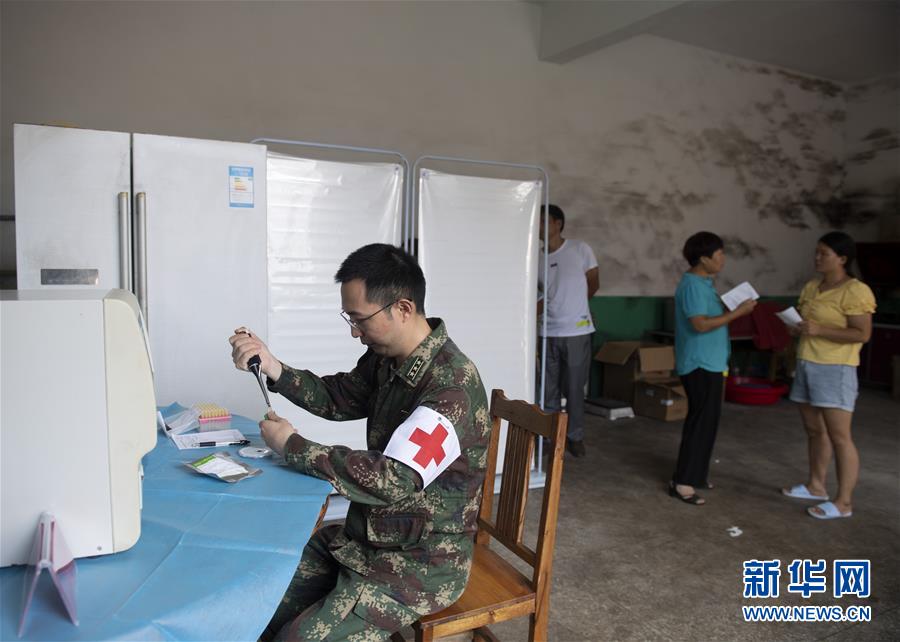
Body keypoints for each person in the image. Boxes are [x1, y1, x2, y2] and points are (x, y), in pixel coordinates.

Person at [229, 243, 490, 641]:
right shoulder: (388, 358)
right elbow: (340, 398)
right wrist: (273, 367)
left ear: (403, 308)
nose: (354, 331)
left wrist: (292, 445)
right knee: (256, 609)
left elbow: (392, 479)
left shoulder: (450, 387)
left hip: (419, 562)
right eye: (348, 318)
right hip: (365, 537)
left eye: (360, 319)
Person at [781, 231, 875, 520]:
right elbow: (804, 321)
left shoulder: (855, 291)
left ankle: (844, 501)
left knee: (840, 436)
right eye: (817, 252)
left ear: (842, 259)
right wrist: (795, 328)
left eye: (824, 253)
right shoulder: (813, 286)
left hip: (835, 369)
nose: (817, 258)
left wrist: (820, 330)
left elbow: (862, 333)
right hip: (807, 362)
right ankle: (816, 485)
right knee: (814, 430)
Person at [670, 232, 756, 505]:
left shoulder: (705, 283)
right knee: (699, 422)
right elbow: (700, 324)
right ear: (703, 258)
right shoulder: (693, 285)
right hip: (698, 362)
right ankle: (681, 481)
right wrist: (738, 313)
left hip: (713, 361)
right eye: (719, 255)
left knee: (709, 422)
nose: (723, 259)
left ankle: (696, 474)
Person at [537, 203, 599, 457]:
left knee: (574, 388)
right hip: (546, 333)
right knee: (547, 390)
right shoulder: (537, 258)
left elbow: (594, 283)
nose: (539, 227)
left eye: (543, 221)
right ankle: (552, 438)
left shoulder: (580, 249)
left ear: (557, 223)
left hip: (576, 332)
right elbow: (539, 295)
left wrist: (573, 308)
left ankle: (575, 436)